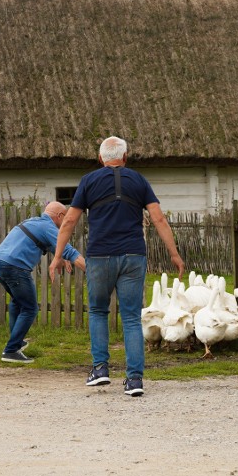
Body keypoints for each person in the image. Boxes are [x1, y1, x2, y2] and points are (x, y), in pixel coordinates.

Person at [49, 136, 185, 397]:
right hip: (133, 256)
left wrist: (57, 256)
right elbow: (158, 218)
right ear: (125, 157)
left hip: (100, 256)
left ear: (101, 159)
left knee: (98, 311)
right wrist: (174, 254)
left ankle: (100, 369)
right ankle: (134, 380)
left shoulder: (89, 181)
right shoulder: (139, 180)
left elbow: (68, 222)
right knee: (132, 317)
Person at [0, 201, 85, 364]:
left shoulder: (33, 222)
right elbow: (70, 250)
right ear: (60, 216)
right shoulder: (48, 227)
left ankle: (17, 341)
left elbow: (50, 245)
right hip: (15, 267)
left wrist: (61, 258)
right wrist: (91, 271)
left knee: (17, 301)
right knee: (30, 308)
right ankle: (11, 350)